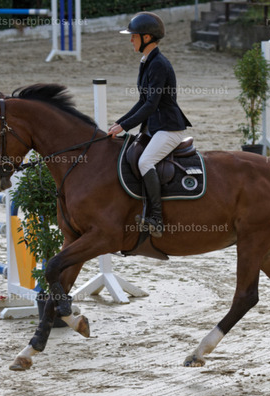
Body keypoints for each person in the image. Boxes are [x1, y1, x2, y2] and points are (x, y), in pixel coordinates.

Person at [107, 12, 192, 238]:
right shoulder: (147, 62)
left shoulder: (159, 64)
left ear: (147, 37)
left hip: (169, 128)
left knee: (145, 161)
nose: (131, 40)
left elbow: (151, 104)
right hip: (154, 127)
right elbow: (142, 101)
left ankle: (156, 217)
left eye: (134, 36)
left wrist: (125, 126)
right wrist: (120, 122)